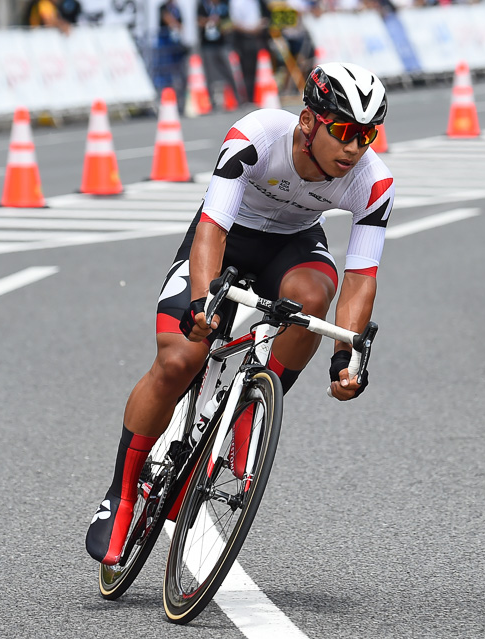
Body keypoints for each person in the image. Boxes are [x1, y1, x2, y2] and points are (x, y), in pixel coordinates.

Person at [86, 63, 394, 565]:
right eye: (343, 131)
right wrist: (207, 300)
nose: (354, 148)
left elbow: (361, 278)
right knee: (179, 361)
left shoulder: (373, 182)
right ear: (309, 122)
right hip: (226, 238)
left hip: (293, 247)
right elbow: (213, 227)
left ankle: (251, 404)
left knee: (313, 298)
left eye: (366, 135)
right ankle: (120, 495)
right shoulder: (256, 136)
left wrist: (346, 355)